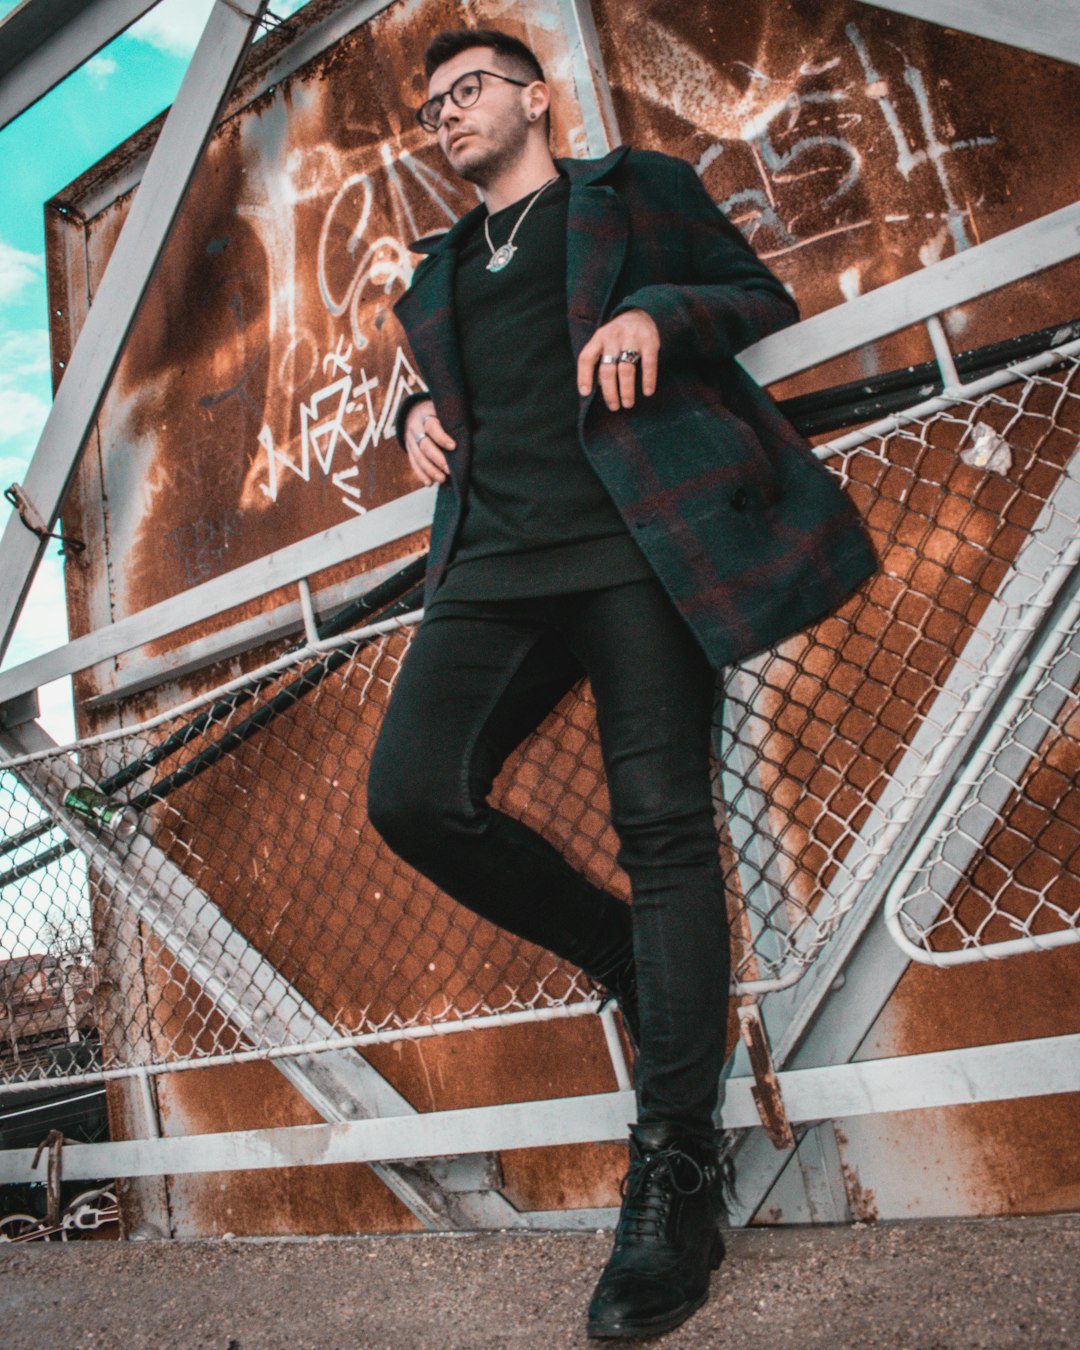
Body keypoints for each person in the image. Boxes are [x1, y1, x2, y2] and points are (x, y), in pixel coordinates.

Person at [367, 26, 876, 1340]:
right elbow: (441, 384)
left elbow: (756, 295)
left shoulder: (628, 193)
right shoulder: (437, 268)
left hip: (638, 550)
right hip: (489, 564)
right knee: (415, 792)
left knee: (663, 828)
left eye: (466, 91)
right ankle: (621, 958)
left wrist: (656, 309)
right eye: (431, 108)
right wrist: (403, 413)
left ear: (534, 99)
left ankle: (674, 1175)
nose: (446, 116)